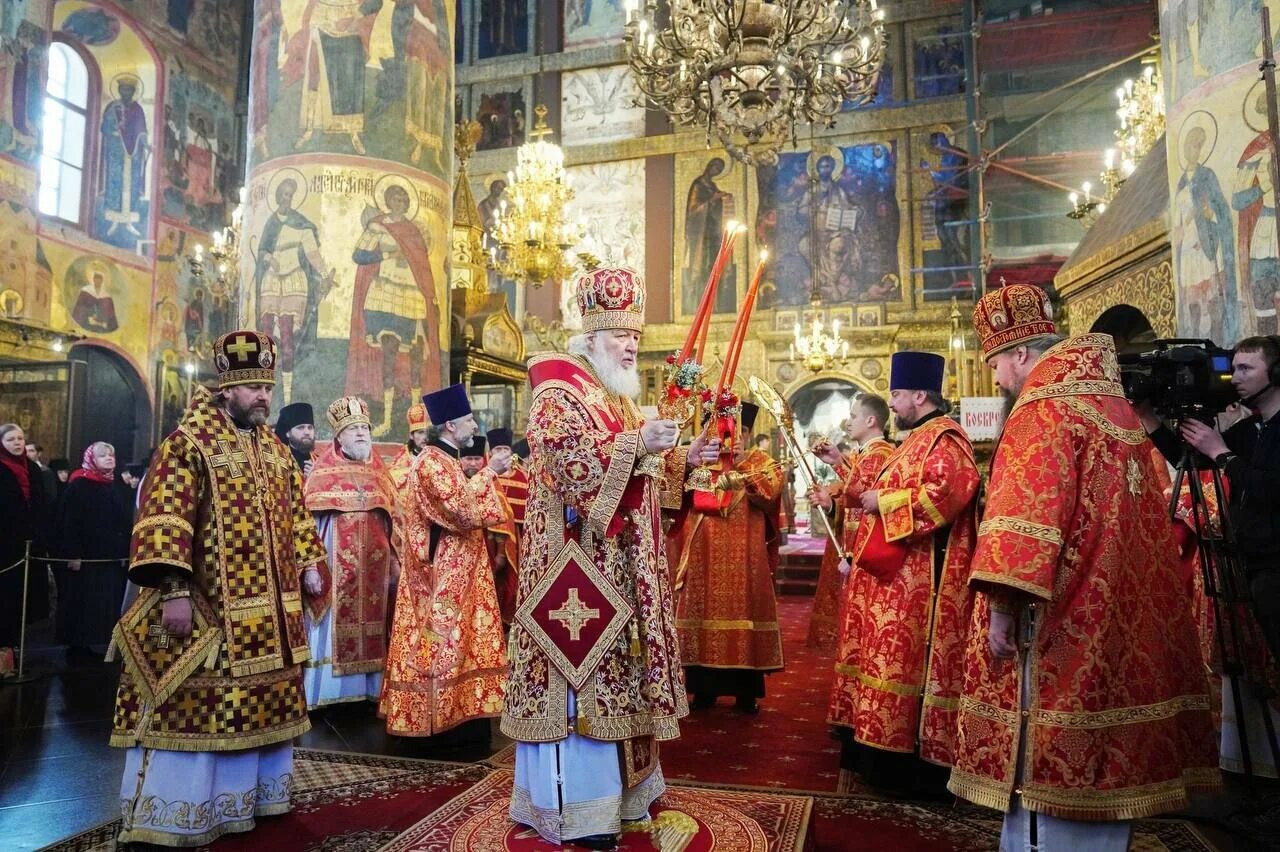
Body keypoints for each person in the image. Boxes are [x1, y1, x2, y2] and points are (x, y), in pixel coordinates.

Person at [950, 284, 1219, 850]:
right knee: (1105, 767)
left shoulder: (1042, 410)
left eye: (995, 363)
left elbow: (1024, 519)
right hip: (1118, 617)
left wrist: (1001, 610)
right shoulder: (1112, 406)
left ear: (1020, 352)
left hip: (1061, 620)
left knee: (1049, 778)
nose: (996, 378)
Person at [503, 266, 721, 850]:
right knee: (582, 683)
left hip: (621, 572)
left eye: (635, 336)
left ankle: (627, 797)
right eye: (620, 335)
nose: (630, 345)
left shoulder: (616, 398)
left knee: (622, 679)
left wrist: (683, 458)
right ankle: (579, 807)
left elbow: (642, 477)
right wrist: (636, 444)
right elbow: (567, 458)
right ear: (592, 335)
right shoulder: (558, 390)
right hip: (574, 573)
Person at [109, 330, 327, 847]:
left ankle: (250, 800)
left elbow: (296, 515)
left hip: (272, 618)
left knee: (261, 708)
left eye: (267, 388)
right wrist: (174, 590)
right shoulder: (189, 444)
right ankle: (182, 812)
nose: (263, 397)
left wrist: (310, 561)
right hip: (213, 611)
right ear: (227, 389)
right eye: (253, 388)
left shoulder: (274, 449)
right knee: (202, 711)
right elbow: (166, 518)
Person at [840, 351, 980, 795]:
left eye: (897, 394)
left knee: (906, 666)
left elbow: (946, 494)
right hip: (898, 579)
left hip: (923, 582)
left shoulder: (946, 439)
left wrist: (883, 502)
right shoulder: (917, 439)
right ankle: (880, 751)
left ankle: (909, 765)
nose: (891, 403)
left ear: (920, 396)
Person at [1142, 334, 1280, 781]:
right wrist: (1150, 420)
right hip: (1251, 563)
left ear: (1276, 374)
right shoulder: (1250, 428)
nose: (1234, 378)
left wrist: (1222, 452)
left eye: (1246, 369)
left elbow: (1269, 488)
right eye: (1232, 368)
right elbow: (1196, 462)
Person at [380, 384, 511, 739]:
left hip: (462, 568)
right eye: (469, 420)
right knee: (440, 644)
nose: (475, 426)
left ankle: (464, 715)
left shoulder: (447, 461)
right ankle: (434, 722)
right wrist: (490, 473)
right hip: (441, 575)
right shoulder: (430, 463)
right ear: (451, 425)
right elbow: (461, 511)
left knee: (465, 641)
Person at [673, 402, 784, 714]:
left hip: (745, 558)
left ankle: (746, 694)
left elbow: (771, 494)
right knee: (702, 613)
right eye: (721, 431)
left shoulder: (761, 462)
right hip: (704, 554)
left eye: (738, 431)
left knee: (745, 612)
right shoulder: (700, 463)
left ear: (746, 434)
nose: (729, 438)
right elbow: (675, 496)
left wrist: (741, 465)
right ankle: (702, 691)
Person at [301, 396, 399, 709]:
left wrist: (396, 562)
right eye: (353, 429)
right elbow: (308, 527)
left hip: (375, 574)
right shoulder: (321, 473)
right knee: (331, 625)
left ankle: (370, 688)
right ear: (339, 436)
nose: (360, 434)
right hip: (335, 569)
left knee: (375, 622)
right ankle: (330, 693)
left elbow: (396, 523)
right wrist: (311, 568)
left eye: (364, 428)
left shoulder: (381, 475)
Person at [806, 395, 893, 649]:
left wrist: (837, 462)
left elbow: (864, 494)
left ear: (871, 420)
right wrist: (830, 504)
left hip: (868, 553)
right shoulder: (861, 454)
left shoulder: (881, 454)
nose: (848, 422)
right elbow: (852, 505)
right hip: (854, 552)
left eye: (853, 416)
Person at [54, 442, 131, 665]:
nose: (109, 458)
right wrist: (73, 553)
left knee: (101, 602)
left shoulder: (114, 484)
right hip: (85, 557)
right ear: (91, 459)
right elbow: (69, 521)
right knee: (82, 602)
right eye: (103, 455)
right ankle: (78, 648)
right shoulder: (79, 485)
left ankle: (96, 644)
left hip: (107, 556)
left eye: (111, 454)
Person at [0, 423, 49, 677]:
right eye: (11, 439)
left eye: (20, 438)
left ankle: (16, 656)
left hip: (30, 545)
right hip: (5, 546)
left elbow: (42, 503)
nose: (17, 443)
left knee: (24, 602)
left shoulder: (33, 469)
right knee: (5, 601)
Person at [487, 427, 527, 626]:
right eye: (498, 449)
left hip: (516, 541)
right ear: (490, 452)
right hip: (488, 540)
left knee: (512, 583)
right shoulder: (485, 476)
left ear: (512, 452)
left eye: (506, 449)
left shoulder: (523, 477)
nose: (502, 453)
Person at [390, 402, 430, 489]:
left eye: (428, 432)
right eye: (420, 432)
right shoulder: (400, 462)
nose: (425, 437)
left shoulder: (440, 458)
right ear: (411, 435)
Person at [274, 401, 316, 478]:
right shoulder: (279, 460)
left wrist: (316, 477)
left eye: (310, 428)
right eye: (301, 428)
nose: (307, 432)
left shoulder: (320, 461)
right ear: (288, 433)